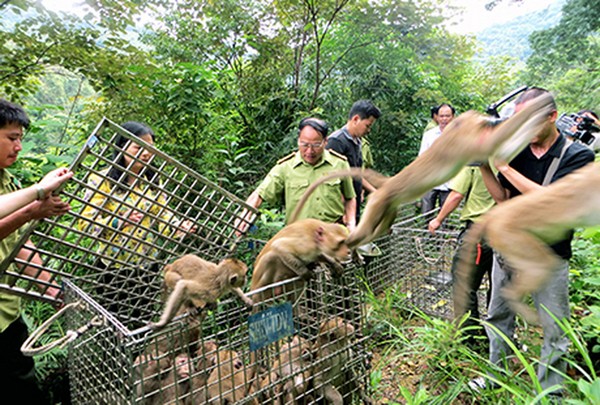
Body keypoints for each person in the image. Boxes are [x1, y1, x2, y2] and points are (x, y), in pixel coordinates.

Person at [472, 88, 595, 393]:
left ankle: (550, 394)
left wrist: (503, 166)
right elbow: (502, 198)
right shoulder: (517, 152)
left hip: (549, 257)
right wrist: (485, 165)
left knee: (554, 328)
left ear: (552, 117)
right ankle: (495, 378)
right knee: (497, 315)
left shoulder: (578, 155)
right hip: (509, 252)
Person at [79, 121, 195, 322]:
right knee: (115, 325)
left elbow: (163, 214)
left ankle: (141, 354)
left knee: (143, 320)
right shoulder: (101, 181)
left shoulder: (151, 181)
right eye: (138, 146)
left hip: (146, 265)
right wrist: (117, 222)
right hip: (113, 268)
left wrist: (178, 226)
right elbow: (86, 223)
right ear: (122, 147)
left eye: (150, 148)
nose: (145, 153)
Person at [0, 99, 72, 404]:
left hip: (7, 314)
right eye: (11, 138)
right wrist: (36, 197)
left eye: (21, 139)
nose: (18, 147)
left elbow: (20, 244)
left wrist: (52, 290)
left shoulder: (6, 180)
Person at [239, 117, 356, 232]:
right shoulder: (286, 167)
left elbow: (350, 197)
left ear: (325, 142)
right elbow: (260, 194)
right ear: (298, 140)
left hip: (331, 235)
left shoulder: (339, 164)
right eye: (304, 145)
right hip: (298, 236)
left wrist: (351, 223)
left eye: (316, 145)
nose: (309, 151)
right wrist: (245, 215)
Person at [428, 165, 495, 346]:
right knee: (497, 288)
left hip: (479, 234)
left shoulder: (474, 163)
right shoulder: (511, 156)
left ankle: (469, 339)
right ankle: (495, 336)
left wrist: (438, 219)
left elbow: (456, 194)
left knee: (464, 287)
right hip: (505, 233)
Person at [326, 100, 381, 223]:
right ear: (356, 119)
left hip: (353, 204)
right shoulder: (337, 141)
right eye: (367, 125)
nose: (368, 130)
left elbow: (356, 174)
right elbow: (332, 179)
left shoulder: (357, 141)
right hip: (340, 211)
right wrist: (344, 210)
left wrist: (373, 191)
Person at [419, 103, 456, 213]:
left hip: (450, 180)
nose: (444, 119)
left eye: (447, 116)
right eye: (441, 116)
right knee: (426, 212)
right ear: (437, 117)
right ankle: (425, 230)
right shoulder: (429, 135)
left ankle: (443, 230)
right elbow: (422, 156)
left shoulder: (458, 135)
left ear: (453, 117)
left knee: (445, 213)